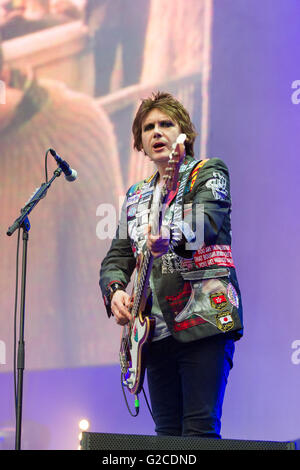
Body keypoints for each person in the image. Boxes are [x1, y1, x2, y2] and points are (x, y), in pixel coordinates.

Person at [99, 91, 243, 438]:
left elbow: (206, 220)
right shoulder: (135, 196)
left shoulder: (207, 172)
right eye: (149, 127)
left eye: (166, 124)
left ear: (183, 135)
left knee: (199, 432)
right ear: (141, 142)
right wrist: (116, 291)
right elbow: (116, 258)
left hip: (205, 320)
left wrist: (172, 235)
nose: (157, 132)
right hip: (154, 335)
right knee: (166, 436)